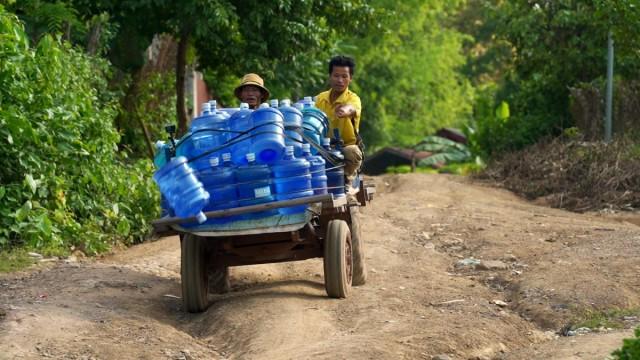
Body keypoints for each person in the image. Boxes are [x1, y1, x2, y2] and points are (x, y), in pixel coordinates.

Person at [315, 55, 363, 185]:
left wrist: (344, 111)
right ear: (330, 76)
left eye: (344, 76)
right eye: (336, 76)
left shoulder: (353, 98)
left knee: (352, 152)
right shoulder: (319, 99)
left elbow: (352, 108)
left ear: (350, 78)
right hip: (321, 148)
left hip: (345, 148)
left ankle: (347, 181)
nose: (340, 80)